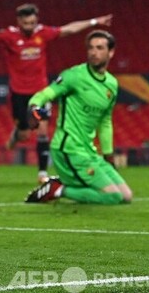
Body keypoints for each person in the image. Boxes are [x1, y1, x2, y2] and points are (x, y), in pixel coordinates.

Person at [0, 4, 112, 183]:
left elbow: (69, 29)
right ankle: (17, 133)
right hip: (19, 94)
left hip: (41, 93)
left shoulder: (43, 33)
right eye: (26, 23)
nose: (29, 26)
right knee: (24, 135)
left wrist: (95, 21)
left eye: (32, 23)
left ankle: (42, 173)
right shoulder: (10, 35)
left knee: (42, 131)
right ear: (19, 21)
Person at [25, 30, 132, 204]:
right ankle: (57, 189)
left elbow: (105, 122)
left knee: (126, 197)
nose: (94, 52)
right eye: (91, 48)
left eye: (99, 48)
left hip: (89, 151)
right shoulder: (73, 76)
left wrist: (108, 155)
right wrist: (34, 106)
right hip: (69, 150)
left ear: (111, 52)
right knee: (112, 197)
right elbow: (45, 93)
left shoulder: (111, 84)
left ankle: (63, 186)